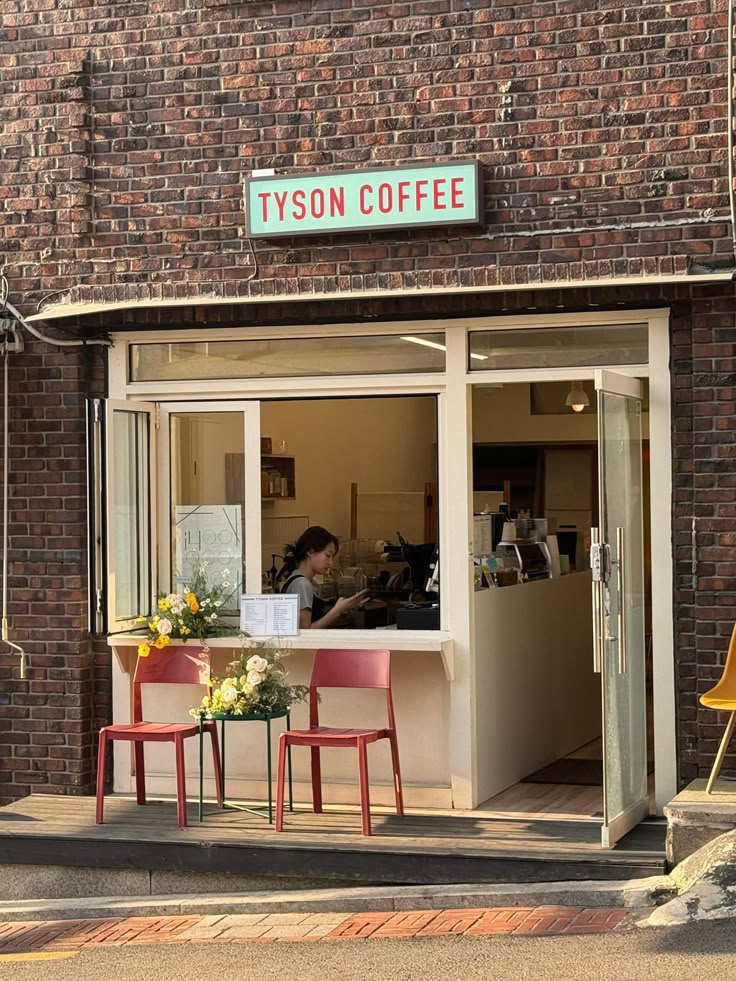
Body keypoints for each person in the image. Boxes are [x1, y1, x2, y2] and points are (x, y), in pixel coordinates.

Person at [281, 526, 368, 629]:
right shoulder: (302, 584)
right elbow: (306, 632)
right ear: (310, 551)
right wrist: (337, 611)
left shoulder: (299, 579)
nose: (331, 563)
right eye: (327, 555)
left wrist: (345, 607)